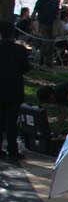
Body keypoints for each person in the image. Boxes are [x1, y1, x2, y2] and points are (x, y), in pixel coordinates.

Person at [0, 21, 30, 161]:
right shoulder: (19, 49)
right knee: (12, 122)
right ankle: (12, 149)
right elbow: (26, 67)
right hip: (14, 88)